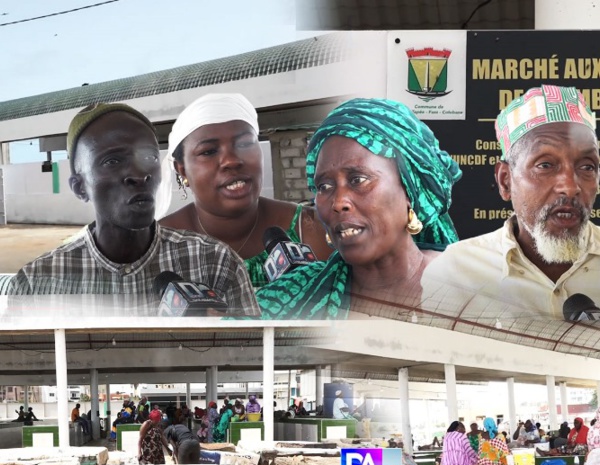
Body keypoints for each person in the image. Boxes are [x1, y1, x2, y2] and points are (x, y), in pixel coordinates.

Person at [9, 102, 259, 318]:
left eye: (149, 157)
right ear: (80, 187)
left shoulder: (217, 264)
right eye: (113, 161)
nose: (139, 175)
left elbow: (257, 362)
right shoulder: (34, 284)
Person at [256, 97, 461, 319]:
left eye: (358, 179)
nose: (338, 202)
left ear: (409, 190)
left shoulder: (476, 289)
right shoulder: (286, 300)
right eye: (324, 186)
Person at [423, 85, 600, 320]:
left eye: (587, 166)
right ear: (506, 181)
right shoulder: (454, 274)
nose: (570, 186)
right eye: (545, 165)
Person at [159, 93, 332, 288]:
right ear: (182, 169)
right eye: (208, 151)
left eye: (244, 144)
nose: (232, 160)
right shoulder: (157, 247)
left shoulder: (313, 228)